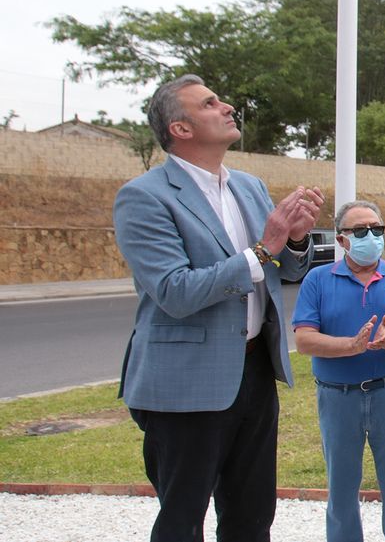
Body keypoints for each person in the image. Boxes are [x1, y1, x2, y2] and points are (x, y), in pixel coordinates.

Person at [114, 74, 321, 542]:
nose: (227, 106)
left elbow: (283, 271)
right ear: (181, 129)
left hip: (254, 373)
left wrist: (295, 239)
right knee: (182, 521)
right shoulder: (145, 197)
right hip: (185, 383)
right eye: (210, 103)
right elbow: (175, 291)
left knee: (251, 517)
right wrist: (265, 248)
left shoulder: (249, 186)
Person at [291, 199, 385, 542]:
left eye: (377, 230)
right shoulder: (318, 280)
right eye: (361, 230)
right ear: (341, 239)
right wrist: (350, 346)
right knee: (341, 486)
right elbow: (304, 339)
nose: (371, 236)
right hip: (338, 398)